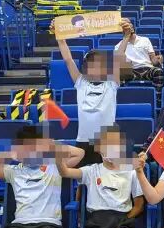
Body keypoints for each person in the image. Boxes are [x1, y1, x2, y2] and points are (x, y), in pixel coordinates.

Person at [54, 19, 131, 167]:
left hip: (107, 142)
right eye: (91, 65)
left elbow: (118, 57)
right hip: (83, 141)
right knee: (82, 177)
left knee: (107, 177)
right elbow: (68, 59)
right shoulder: (80, 82)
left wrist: (126, 36)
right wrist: (60, 37)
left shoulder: (112, 83)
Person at [114, 18, 164, 98]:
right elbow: (118, 62)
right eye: (125, 25)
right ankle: (123, 98)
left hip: (147, 69)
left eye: (129, 23)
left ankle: (156, 99)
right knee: (119, 74)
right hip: (132, 71)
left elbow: (153, 60)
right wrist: (126, 37)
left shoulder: (145, 40)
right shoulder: (118, 46)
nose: (128, 26)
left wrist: (158, 60)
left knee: (158, 71)